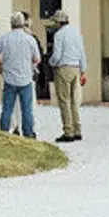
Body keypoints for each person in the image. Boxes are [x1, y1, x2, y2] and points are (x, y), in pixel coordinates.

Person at [0, 12, 41, 138]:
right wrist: (30, 65)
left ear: (11, 24)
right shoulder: (30, 39)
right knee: (27, 109)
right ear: (23, 23)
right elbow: (37, 59)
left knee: (7, 108)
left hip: (9, 78)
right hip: (25, 79)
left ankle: (4, 132)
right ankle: (28, 133)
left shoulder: (5, 38)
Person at [48, 9, 87, 142]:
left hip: (63, 68)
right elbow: (82, 53)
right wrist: (83, 71)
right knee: (74, 101)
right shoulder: (76, 33)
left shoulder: (59, 35)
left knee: (64, 101)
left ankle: (68, 131)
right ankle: (77, 130)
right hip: (76, 68)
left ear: (59, 22)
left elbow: (57, 55)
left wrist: (51, 62)